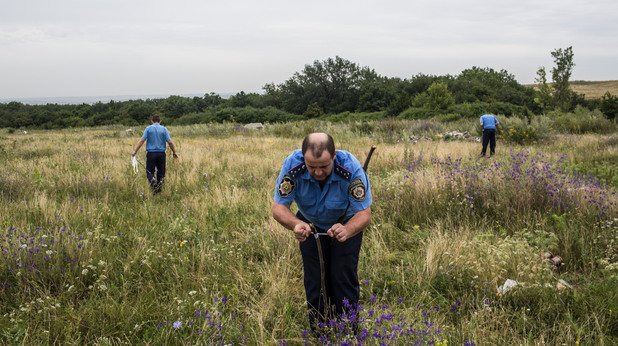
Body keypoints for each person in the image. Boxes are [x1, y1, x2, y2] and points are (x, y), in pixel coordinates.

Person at [272, 132, 372, 330]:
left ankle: (349, 330)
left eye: (324, 167)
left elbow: (364, 213)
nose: (318, 173)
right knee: (316, 278)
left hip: (345, 222)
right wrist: (295, 224)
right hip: (309, 224)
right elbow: (278, 208)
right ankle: (320, 330)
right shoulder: (292, 166)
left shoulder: (350, 167)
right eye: (312, 167)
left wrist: (348, 229)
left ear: (334, 156)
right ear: (303, 158)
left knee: (342, 276)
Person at [131, 114, 178, 193]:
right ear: (160, 121)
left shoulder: (148, 129)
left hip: (151, 154)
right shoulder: (164, 129)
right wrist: (174, 152)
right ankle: (158, 191)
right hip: (161, 154)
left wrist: (135, 151)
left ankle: (152, 181)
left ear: (151, 120)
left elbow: (142, 140)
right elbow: (170, 142)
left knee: (149, 171)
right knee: (161, 172)